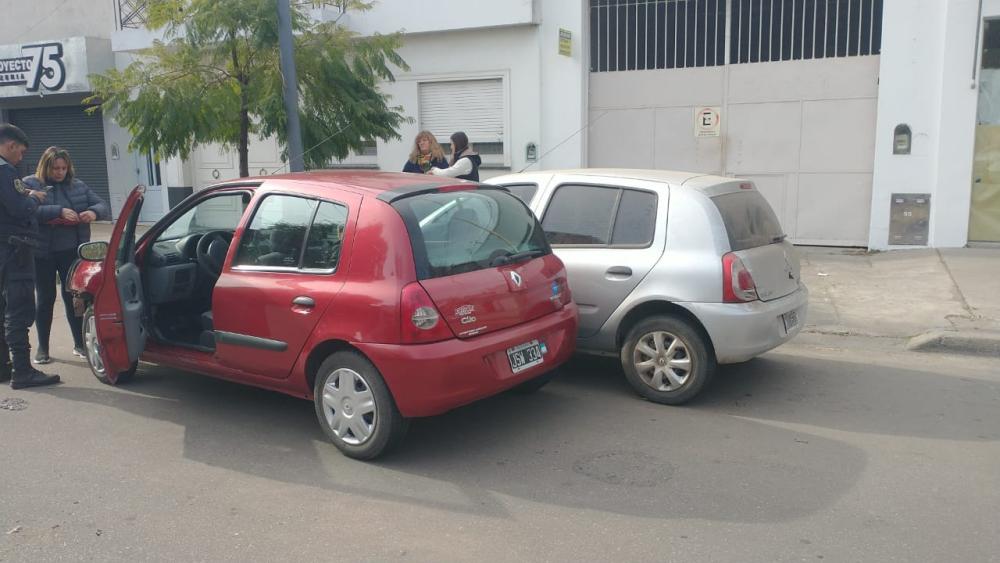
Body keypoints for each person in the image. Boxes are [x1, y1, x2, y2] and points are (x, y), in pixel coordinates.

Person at [23, 146, 109, 363]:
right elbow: (24, 210)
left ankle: (79, 344)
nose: (60, 172)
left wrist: (93, 212)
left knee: (74, 299)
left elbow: (102, 204)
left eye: (63, 168)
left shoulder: (77, 185)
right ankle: (43, 348)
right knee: (45, 299)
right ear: (46, 166)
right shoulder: (31, 184)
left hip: (71, 251)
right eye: (55, 168)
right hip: (41, 251)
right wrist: (58, 211)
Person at [0, 124, 59, 389]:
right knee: (19, 310)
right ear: (10, 146)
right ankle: (23, 371)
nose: (21, 158)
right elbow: (20, 208)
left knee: (4, 310)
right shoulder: (5, 171)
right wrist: (34, 198)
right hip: (15, 249)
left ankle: (5, 367)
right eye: (20, 152)